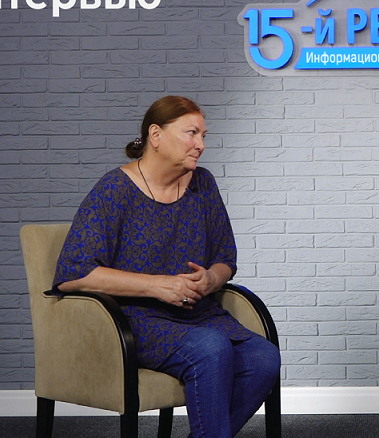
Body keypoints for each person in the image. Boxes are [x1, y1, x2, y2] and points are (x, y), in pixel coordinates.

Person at [53, 95, 281, 438]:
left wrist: (210, 279)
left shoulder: (203, 184)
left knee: (264, 358)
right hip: (134, 320)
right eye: (192, 133)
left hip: (199, 316)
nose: (201, 144)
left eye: (203, 135)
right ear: (156, 135)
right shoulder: (114, 190)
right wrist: (158, 286)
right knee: (211, 348)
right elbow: (74, 273)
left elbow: (225, 258)